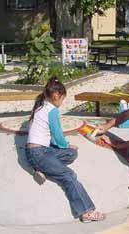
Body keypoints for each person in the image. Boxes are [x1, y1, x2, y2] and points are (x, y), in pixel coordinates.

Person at [25, 76, 105, 223]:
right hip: (39, 153)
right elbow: (57, 136)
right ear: (56, 96)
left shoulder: (41, 105)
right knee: (69, 175)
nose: (62, 102)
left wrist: (68, 148)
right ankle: (86, 212)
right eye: (62, 99)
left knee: (71, 153)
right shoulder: (52, 111)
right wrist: (66, 144)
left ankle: (41, 168)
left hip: (38, 151)